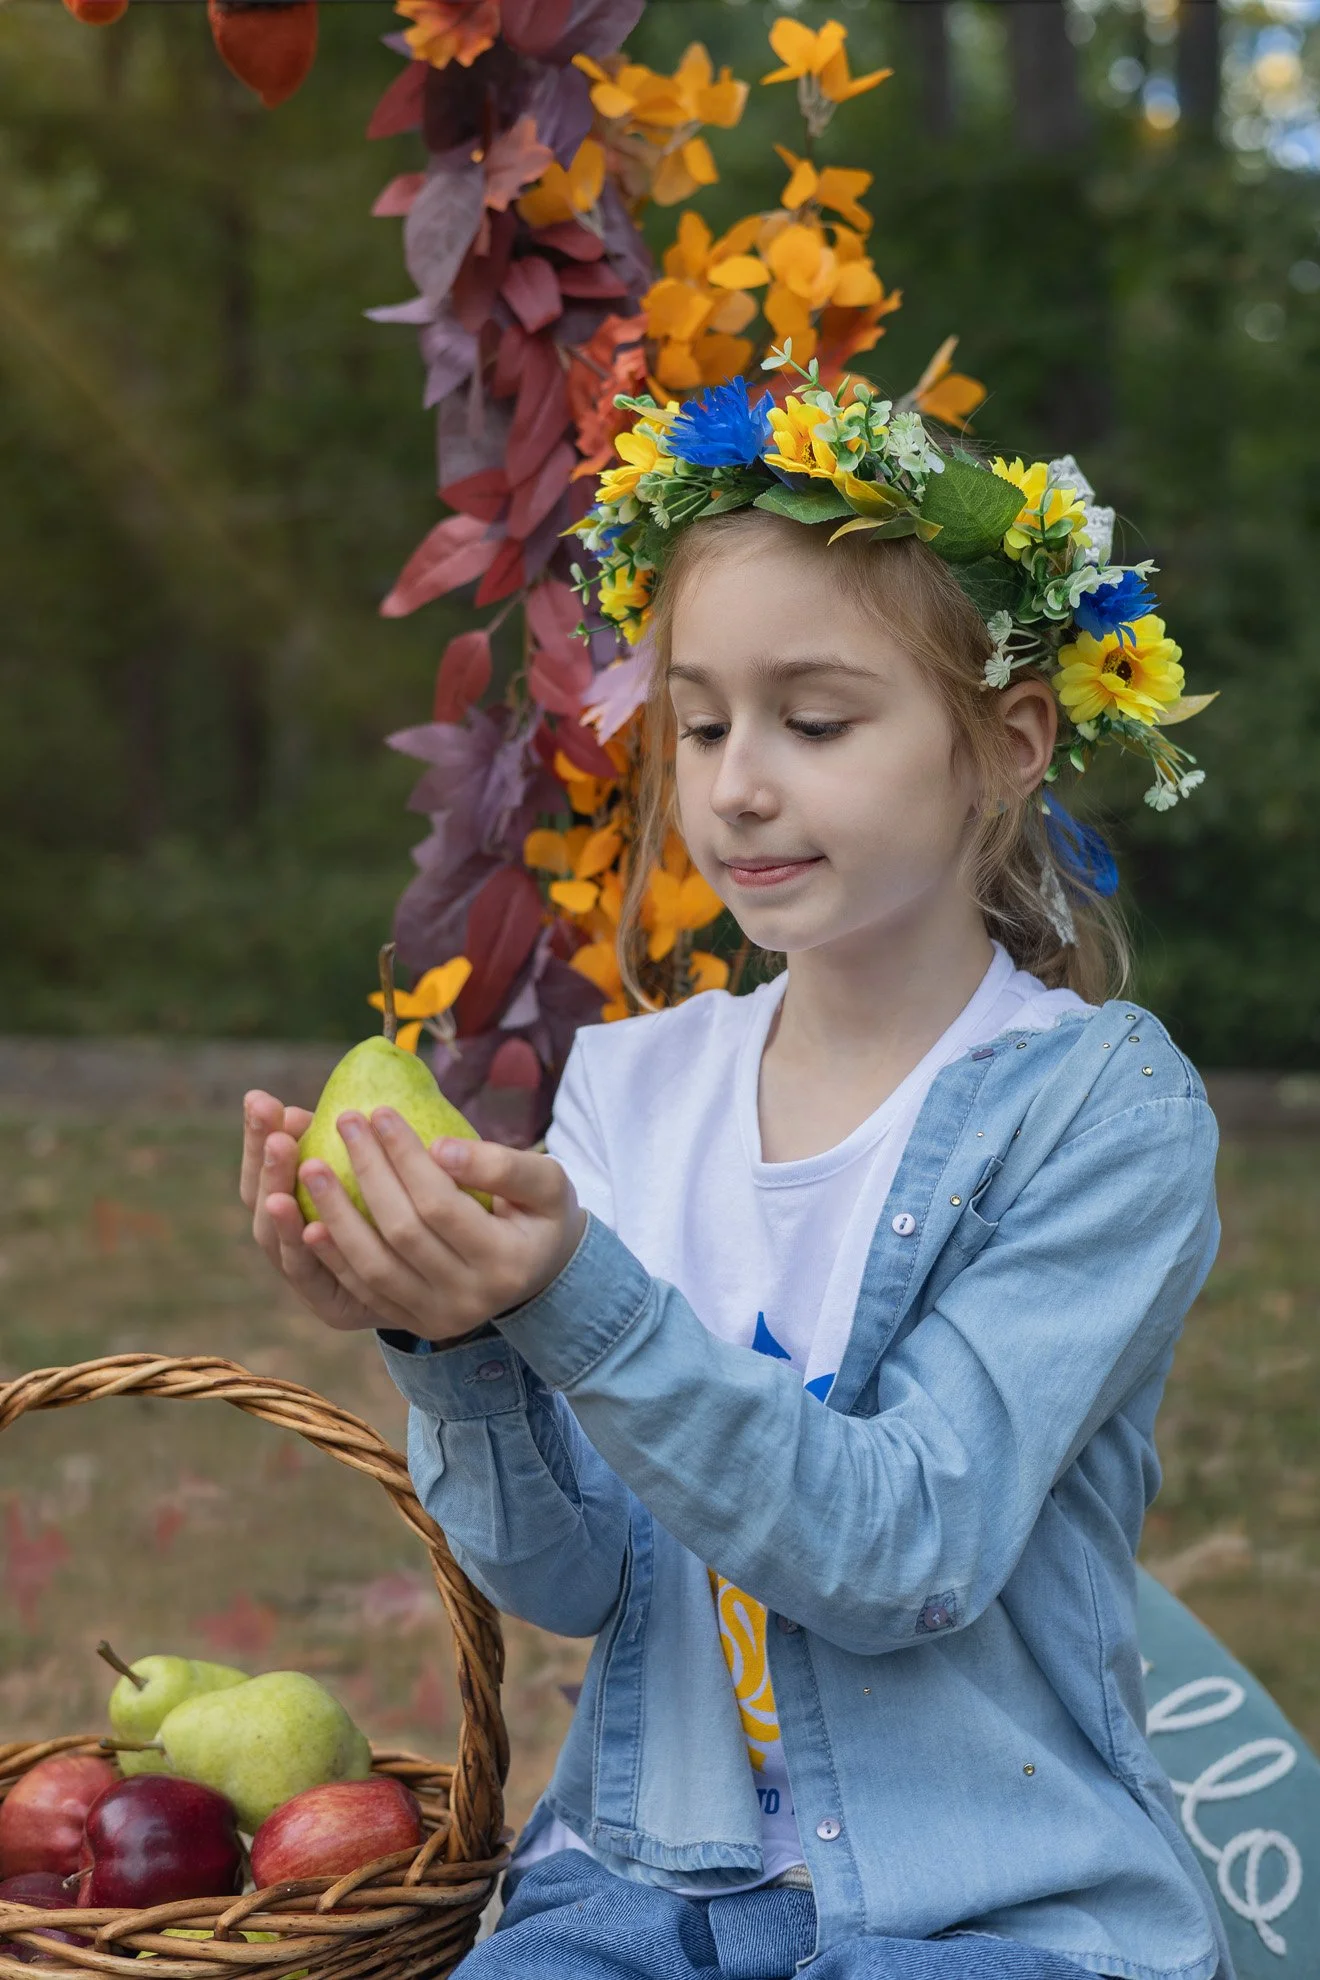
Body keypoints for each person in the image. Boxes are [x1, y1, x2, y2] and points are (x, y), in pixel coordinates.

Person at [238, 375, 1231, 1980]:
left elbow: (907, 1550)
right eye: (701, 723)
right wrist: (446, 1338)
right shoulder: (636, 1090)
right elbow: (566, 1579)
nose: (737, 784)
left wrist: (578, 1299)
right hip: (636, 1897)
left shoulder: (1099, 1114)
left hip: (985, 1916)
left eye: (815, 721)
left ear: (1010, 741)